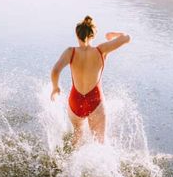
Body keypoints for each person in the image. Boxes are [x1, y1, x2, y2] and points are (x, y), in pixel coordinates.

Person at [50, 16, 131, 146]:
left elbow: (55, 70)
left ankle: (68, 163)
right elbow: (127, 38)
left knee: (77, 136)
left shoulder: (70, 52)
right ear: (93, 35)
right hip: (95, 100)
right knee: (99, 142)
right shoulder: (101, 50)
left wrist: (55, 88)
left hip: (75, 101)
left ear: (77, 34)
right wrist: (114, 34)